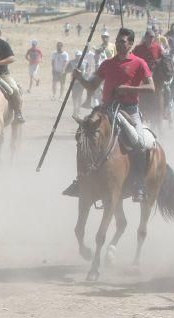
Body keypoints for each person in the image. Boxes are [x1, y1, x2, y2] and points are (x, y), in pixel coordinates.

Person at [64, 27, 155, 203]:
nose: (119, 44)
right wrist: (80, 78)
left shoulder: (139, 63)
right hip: (106, 109)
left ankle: (139, 184)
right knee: (85, 135)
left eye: (123, 41)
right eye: (118, 41)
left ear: (130, 44)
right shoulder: (107, 64)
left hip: (129, 110)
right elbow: (92, 86)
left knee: (139, 142)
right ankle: (81, 180)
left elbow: (151, 88)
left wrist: (128, 89)